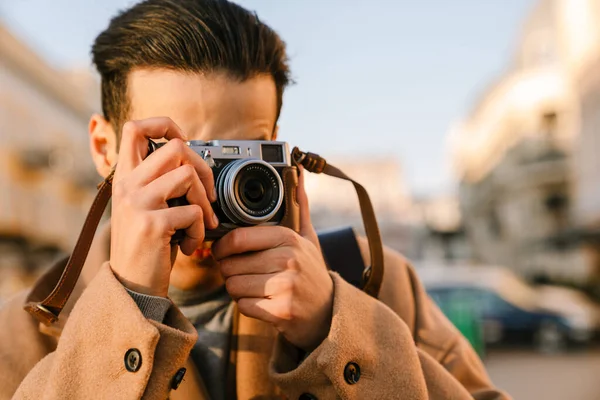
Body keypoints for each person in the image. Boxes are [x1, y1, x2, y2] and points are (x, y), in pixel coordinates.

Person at [0, 1, 509, 399]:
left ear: (275, 148)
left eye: (238, 157)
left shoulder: (376, 282)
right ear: (104, 147)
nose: (208, 185)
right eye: (177, 154)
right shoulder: (23, 330)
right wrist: (126, 306)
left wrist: (336, 329)